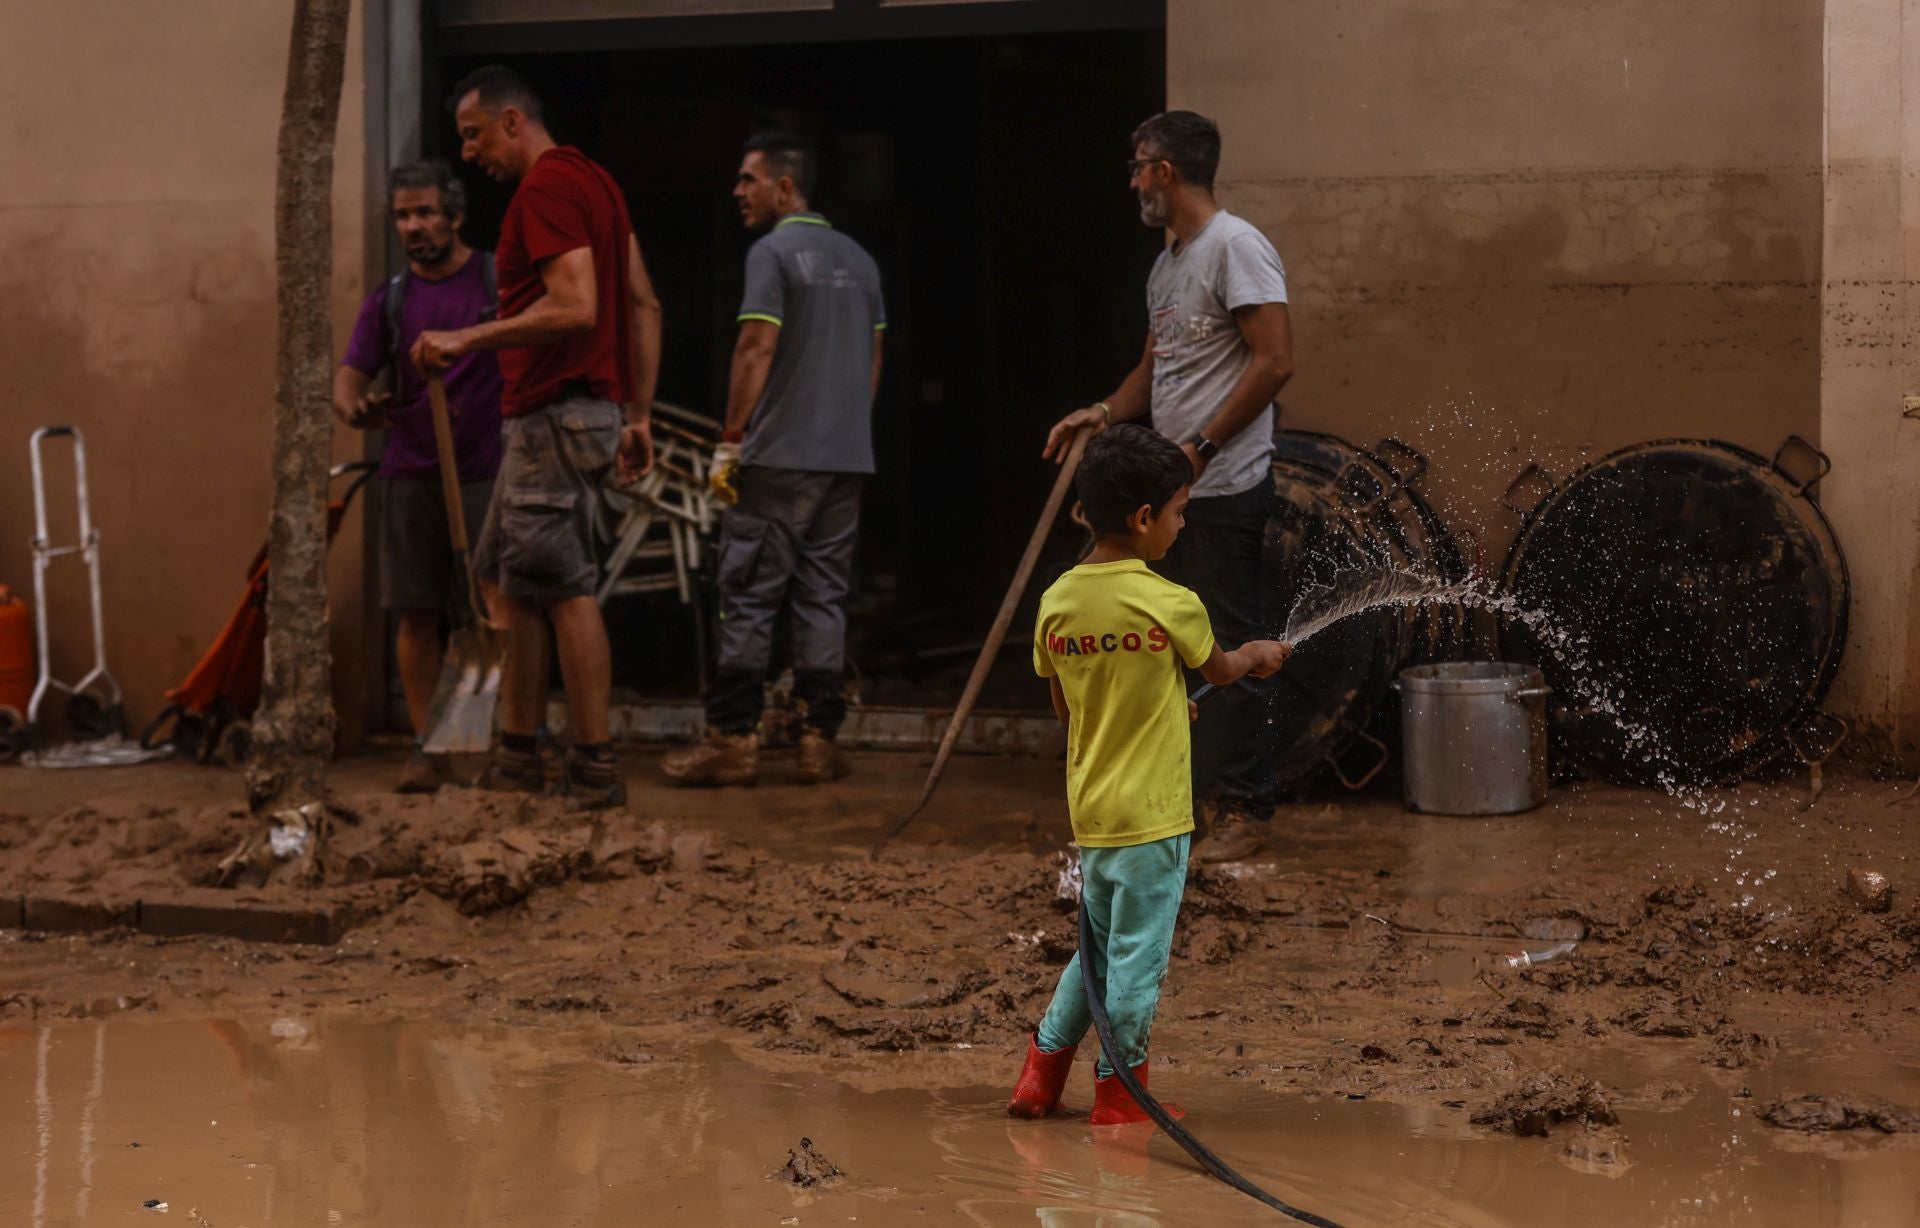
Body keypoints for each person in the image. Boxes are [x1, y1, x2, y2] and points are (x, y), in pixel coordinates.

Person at [1006, 424, 1290, 1124]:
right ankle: (1120, 1097)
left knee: (1096, 957)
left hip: (1096, 817)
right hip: (1155, 822)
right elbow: (1220, 672)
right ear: (1142, 519)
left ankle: (1038, 1079)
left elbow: (1071, 703)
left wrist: (1159, 712)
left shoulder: (1059, 601)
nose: (1182, 522)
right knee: (1137, 964)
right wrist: (1256, 651)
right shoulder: (1172, 603)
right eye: (1179, 511)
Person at [1042, 110, 1294, 865]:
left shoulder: (1235, 247)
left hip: (1219, 487)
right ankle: (1184, 802)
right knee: (1172, 647)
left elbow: (1275, 360)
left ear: (1165, 171)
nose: (1132, 182)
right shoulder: (1170, 263)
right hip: (1176, 488)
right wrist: (1101, 411)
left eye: (1138, 166)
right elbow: (1154, 372)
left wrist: (1201, 450)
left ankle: (1246, 809)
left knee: (1223, 644)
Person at [412, 65, 663, 812]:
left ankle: (593, 765)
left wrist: (466, 338)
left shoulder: (546, 190)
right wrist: (638, 415)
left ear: (512, 121)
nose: (467, 153)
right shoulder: (600, 185)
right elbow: (643, 303)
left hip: (552, 415)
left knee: (562, 585)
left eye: (472, 133)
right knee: (500, 576)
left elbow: (578, 305)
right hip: (584, 413)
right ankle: (517, 754)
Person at [661, 130, 885, 789]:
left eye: (747, 180)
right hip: (846, 460)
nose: (737, 191)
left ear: (785, 188)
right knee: (822, 597)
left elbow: (756, 345)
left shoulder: (773, 252)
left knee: (749, 595)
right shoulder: (862, 261)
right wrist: (845, 432)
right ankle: (818, 741)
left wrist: (731, 440)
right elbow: (872, 361)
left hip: (779, 459)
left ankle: (732, 740)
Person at [333, 160, 503, 794]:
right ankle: (428, 746)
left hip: (484, 470)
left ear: (456, 215)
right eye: (403, 215)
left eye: (425, 212)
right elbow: (349, 378)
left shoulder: (492, 282)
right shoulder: (391, 299)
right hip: (410, 473)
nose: (414, 225)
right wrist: (354, 406)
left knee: (487, 614)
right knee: (415, 613)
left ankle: (480, 743)